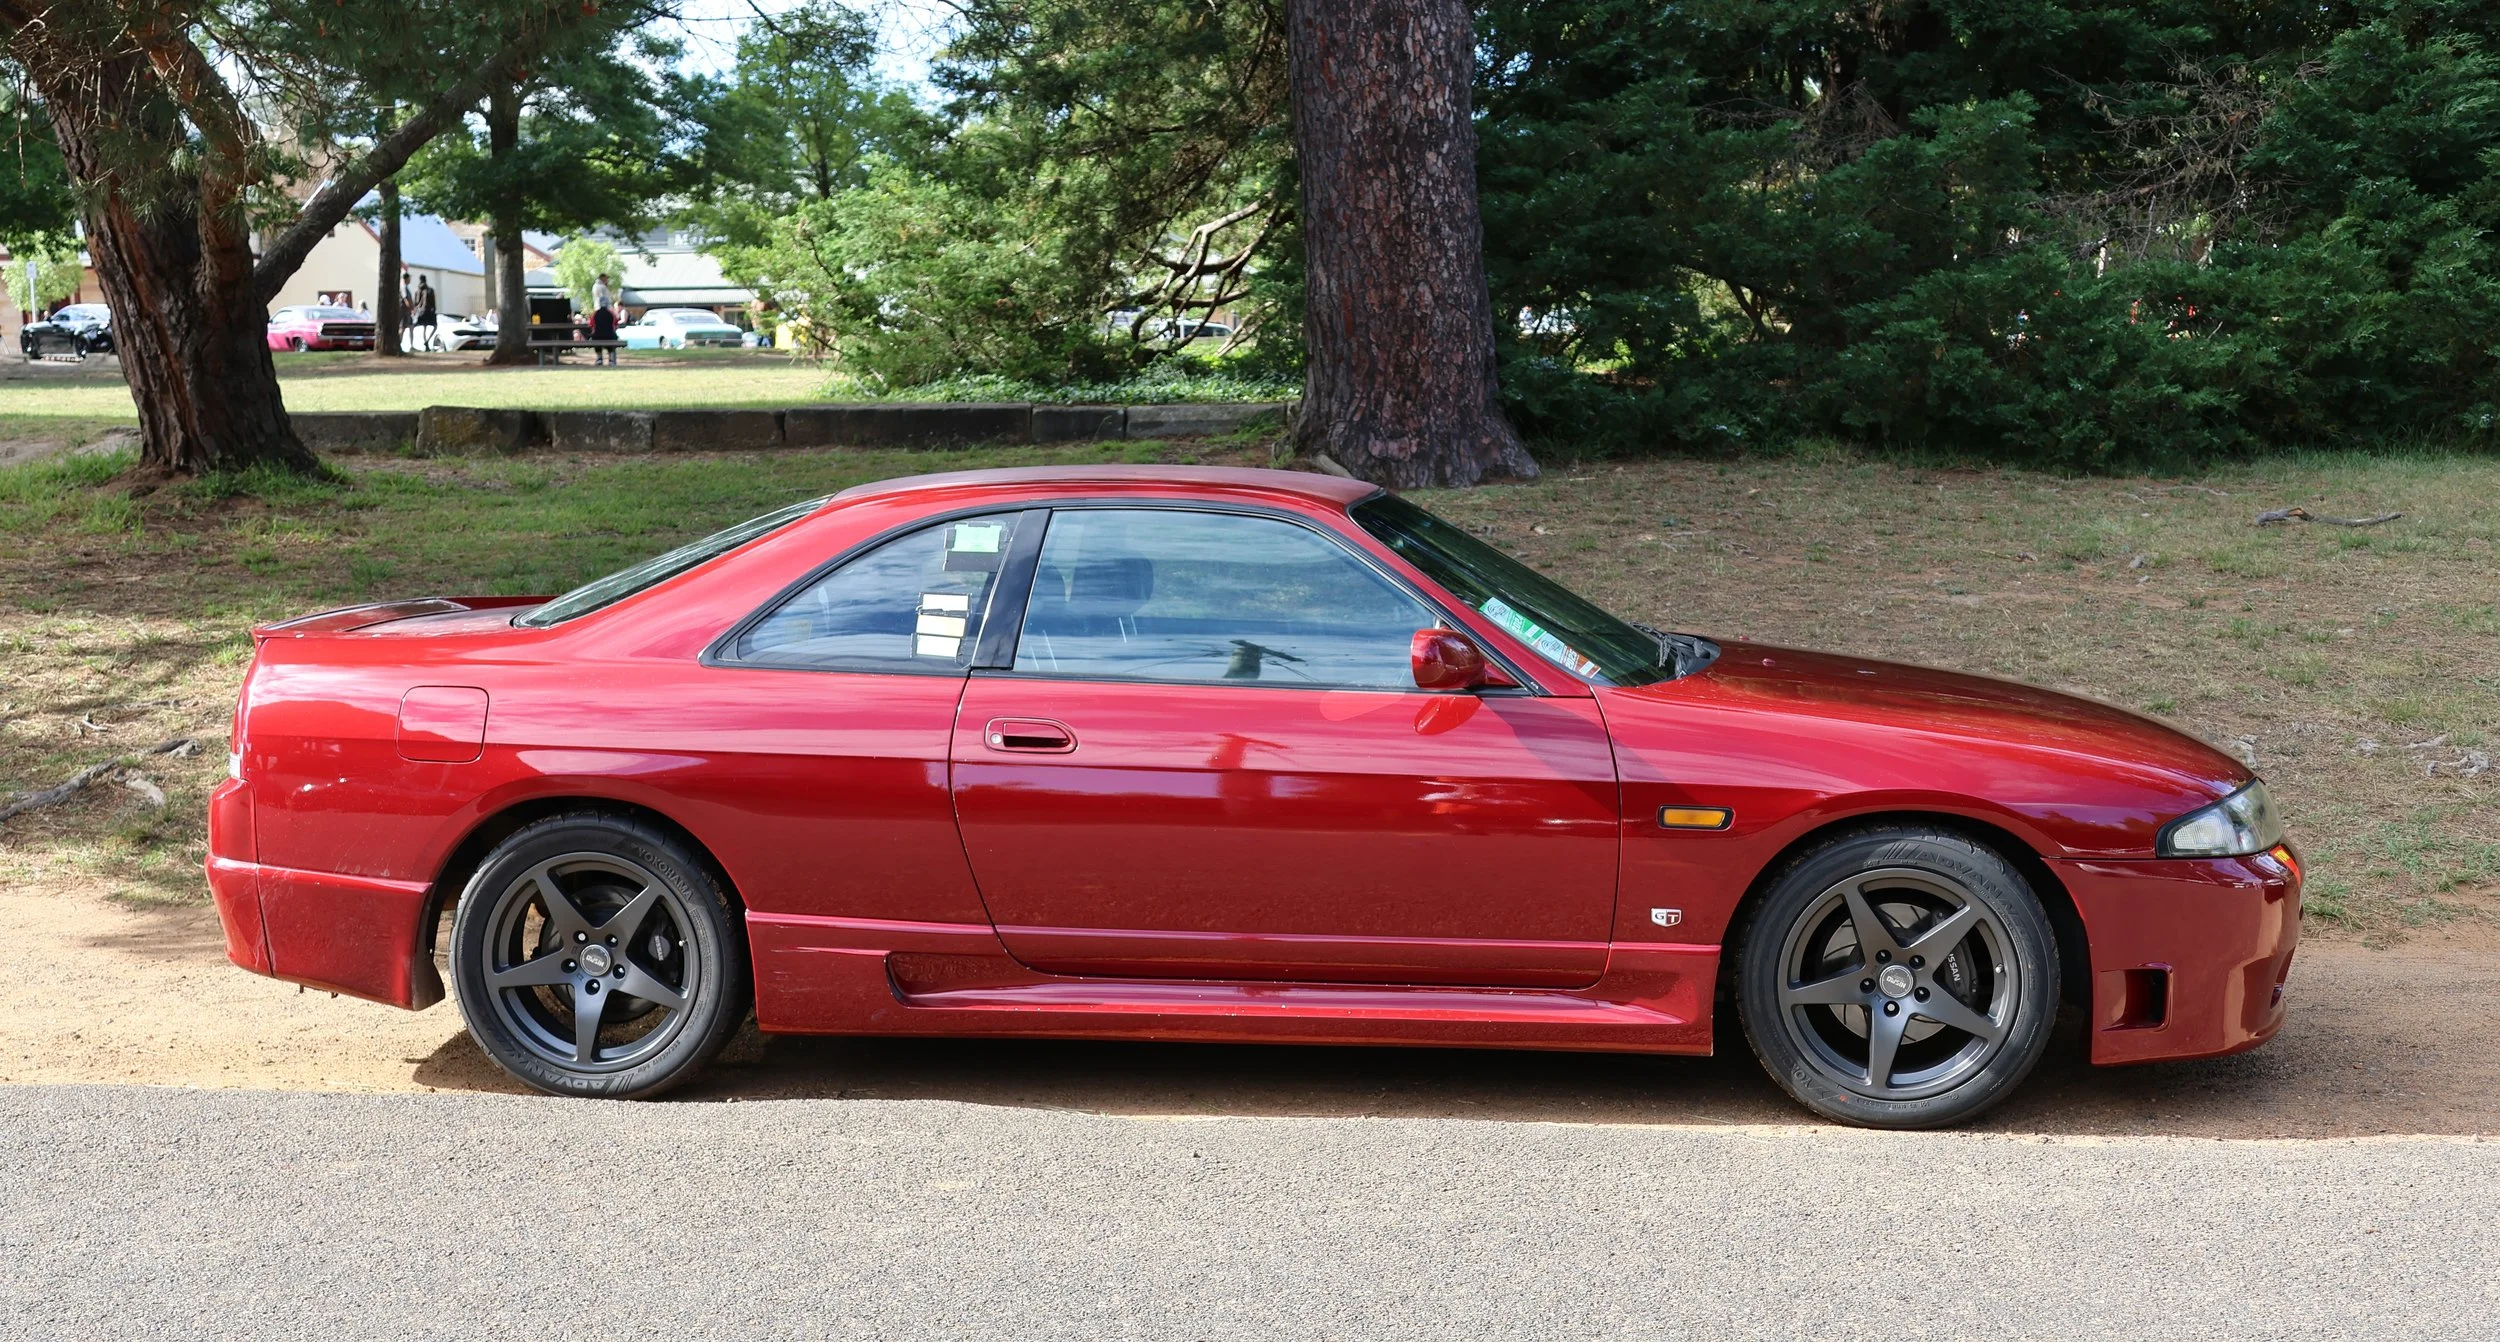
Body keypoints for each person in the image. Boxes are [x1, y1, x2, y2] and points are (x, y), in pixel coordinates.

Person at [589, 273, 618, 365]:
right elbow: (615, 323)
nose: (607, 281)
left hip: (597, 335)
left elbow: (591, 325)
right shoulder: (611, 314)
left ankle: (599, 358)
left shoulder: (594, 314)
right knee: (612, 337)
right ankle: (611, 359)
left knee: (596, 337)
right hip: (610, 335)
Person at [414, 277, 437, 353]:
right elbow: (433, 301)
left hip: (422, 311)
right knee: (434, 327)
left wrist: (417, 308)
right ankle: (427, 341)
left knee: (425, 328)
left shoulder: (418, 290)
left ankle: (426, 342)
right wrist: (434, 309)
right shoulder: (430, 290)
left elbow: (416, 301)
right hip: (429, 310)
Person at [398, 272, 415, 349]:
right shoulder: (403, 287)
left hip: (408, 312)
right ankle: (399, 344)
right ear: (406, 279)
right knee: (403, 328)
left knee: (411, 327)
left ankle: (412, 346)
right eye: (409, 278)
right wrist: (411, 309)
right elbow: (405, 299)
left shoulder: (406, 287)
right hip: (404, 311)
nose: (410, 280)